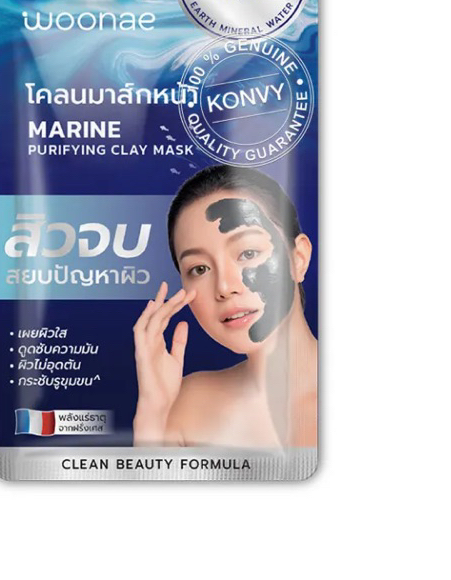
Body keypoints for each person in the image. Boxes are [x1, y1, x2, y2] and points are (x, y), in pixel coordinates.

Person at [132, 165, 317, 448]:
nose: (224, 287)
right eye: (200, 269)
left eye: (248, 253)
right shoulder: (186, 408)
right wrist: (152, 413)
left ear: (298, 258)